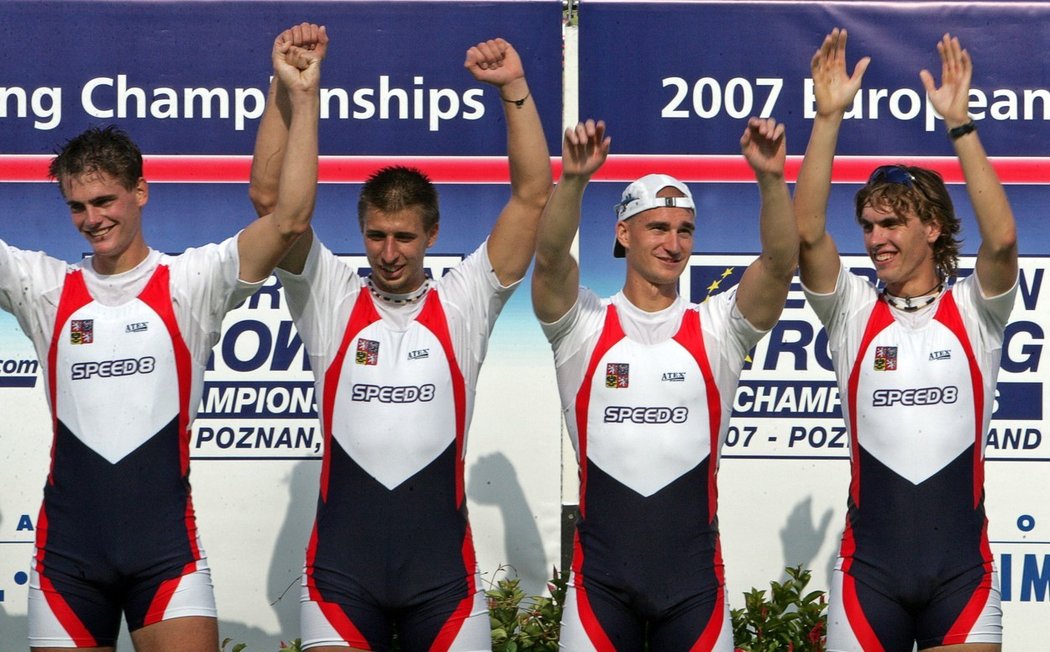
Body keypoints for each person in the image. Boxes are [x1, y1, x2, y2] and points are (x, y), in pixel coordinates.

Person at [0, 25, 322, 652]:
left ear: (140, 192)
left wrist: (297, 97)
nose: (93, 219)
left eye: (105, 200)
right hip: (67, 559)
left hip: (164, 557)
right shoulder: (44, 288)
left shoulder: (190, 281)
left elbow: (289, 217)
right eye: (77, 207)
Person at [248, 34, 551, 651]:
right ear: (361, 231)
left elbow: (532, 196)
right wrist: (291, 90)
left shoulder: (464, 301)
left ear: (432, 234)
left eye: (405, 238)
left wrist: (515, 90)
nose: (389, 254)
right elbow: (271, 201)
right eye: (377, 236)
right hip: (341, 577)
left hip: (443, 583)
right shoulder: (329, 296)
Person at [532, 117, 796, 650]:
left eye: (685, 230)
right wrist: (576, 180)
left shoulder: (719, 326)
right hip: (600, 591)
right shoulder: (582, 323)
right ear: (624, 233)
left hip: (693, 589)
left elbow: (779, 261)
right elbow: (550, 258)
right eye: (658, 228)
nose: (674, 244)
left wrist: (771, 179)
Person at [794, 29, 1017, 652]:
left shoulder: (976, 310)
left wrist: (961, 126)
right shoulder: (852, 310)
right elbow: (807, 233)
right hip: (869, 579)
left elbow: (1000, 242)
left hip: (961, 577)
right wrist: (828, 116)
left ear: (934, 227)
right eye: (867, 225)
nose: (875, 238)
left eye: (892, 223)